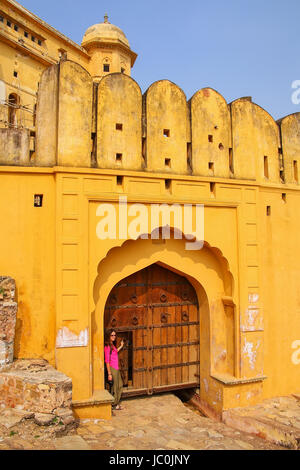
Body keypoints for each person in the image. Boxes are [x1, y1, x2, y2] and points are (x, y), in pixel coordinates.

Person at [104, 329, 125, 410]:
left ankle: (115, 403)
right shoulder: (107, 347)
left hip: (116, 368)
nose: (114, 337)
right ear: (108, 336)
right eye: (112, 335)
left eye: (115, 335)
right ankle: (114, 404)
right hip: (112, 369)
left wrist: (121, 346)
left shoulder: (112, 345)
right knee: (115, 387)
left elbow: (115, 351)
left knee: (119, 385)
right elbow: (107, 361)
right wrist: (109, 373)